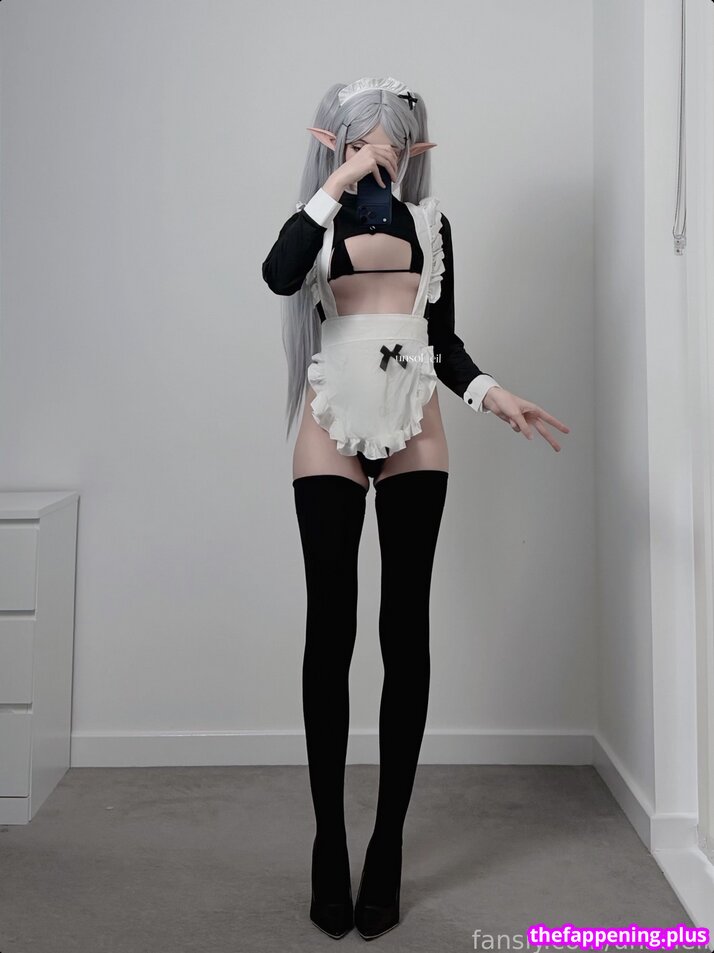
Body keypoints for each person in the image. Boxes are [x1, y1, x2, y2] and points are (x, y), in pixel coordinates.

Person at [261, 76, 570, 941]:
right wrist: (336, 183)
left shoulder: (431, 226)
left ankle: (387, 842)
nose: (381, 153)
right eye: (365, 138)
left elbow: (445, 341)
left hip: (416, 424)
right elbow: (278, 274)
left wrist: (493, 393)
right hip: (329, 423)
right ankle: (329, 841)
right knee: (331, 629)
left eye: (392, 140)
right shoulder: (315, 222)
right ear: (339, 140)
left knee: (405, 629)